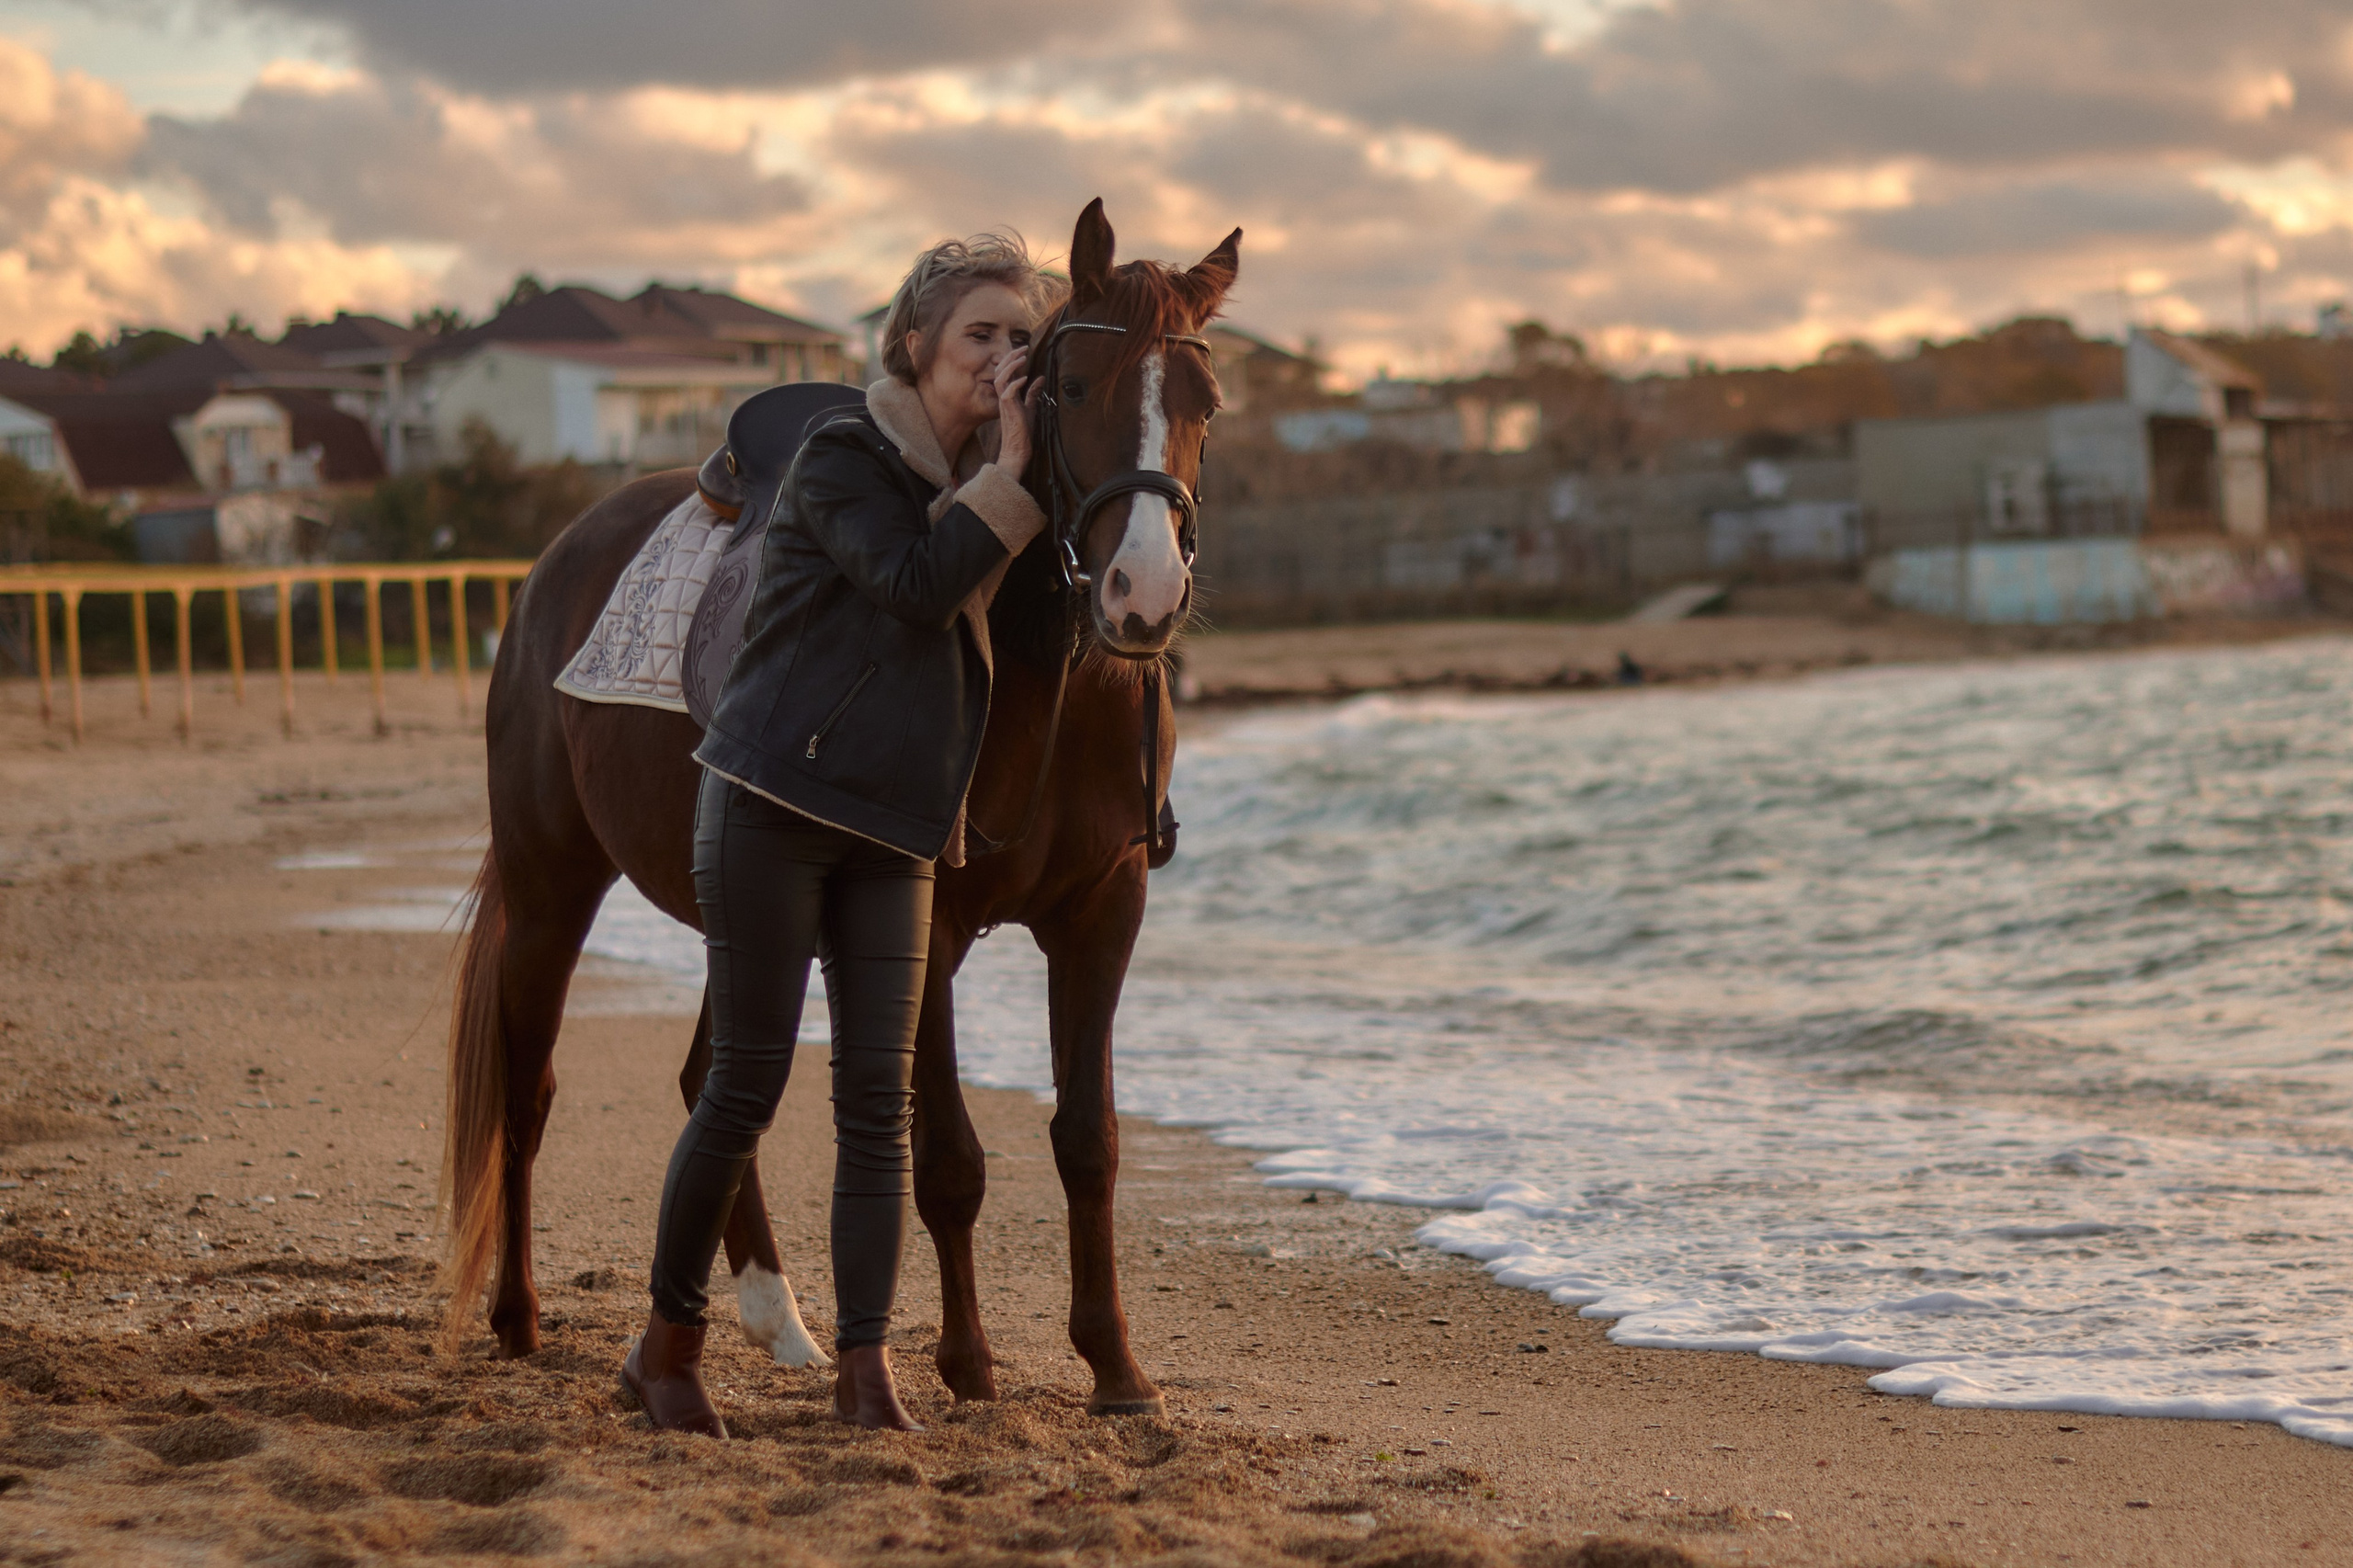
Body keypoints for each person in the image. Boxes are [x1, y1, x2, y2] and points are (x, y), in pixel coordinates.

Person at [622, 234, 1051, 1436]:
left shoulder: (995, 475)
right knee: (744, 1086)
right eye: (982, 334)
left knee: (878, 1104)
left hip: (896, 831)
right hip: (771, 802)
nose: (1004, 358)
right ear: (916, 344)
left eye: (1024, 340)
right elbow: (915, 582)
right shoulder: (843, 456)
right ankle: (665, 1345)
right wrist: (1017, 466)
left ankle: (865, 1370)